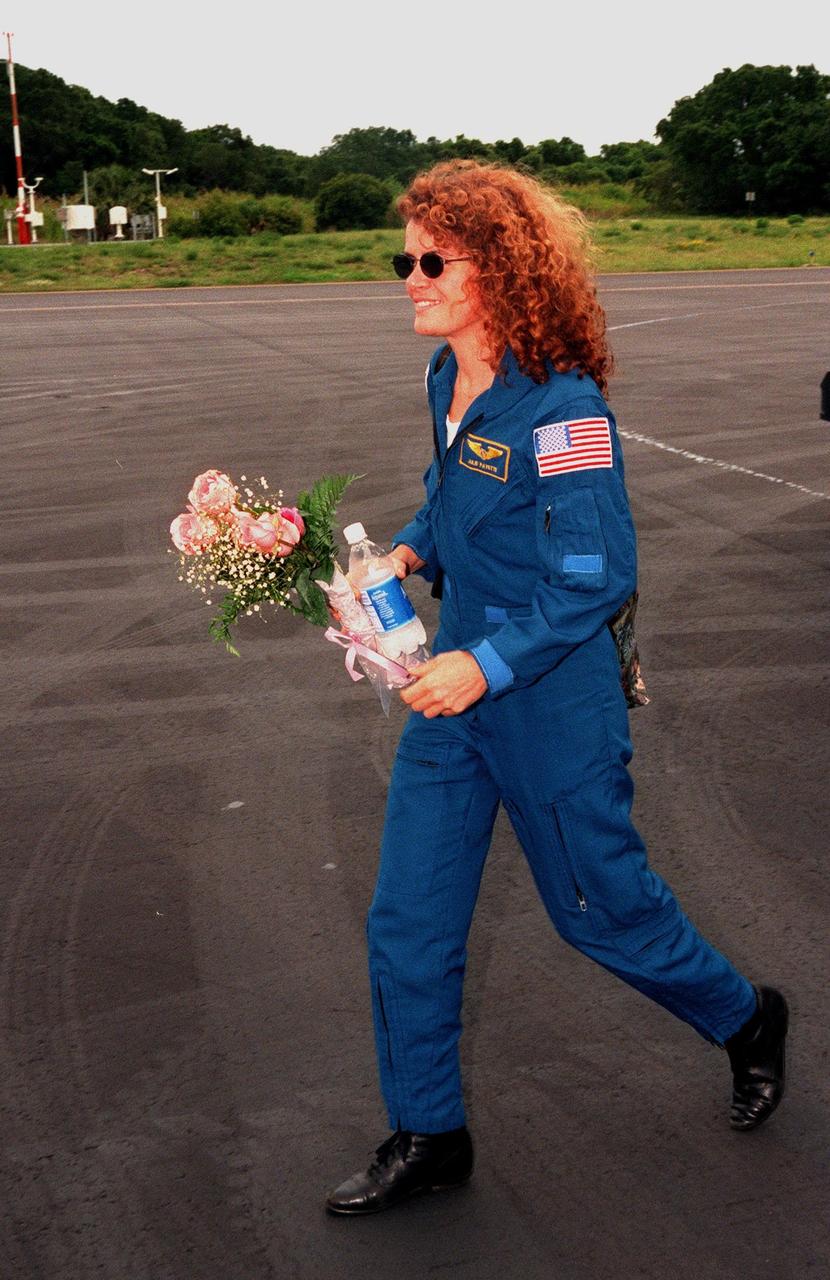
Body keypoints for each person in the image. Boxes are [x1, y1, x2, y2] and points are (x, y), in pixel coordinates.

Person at [325, 161, 788, 1216]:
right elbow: (454, 501)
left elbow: (594, 573)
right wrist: (406, 553)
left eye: (430, 259)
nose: (408, 276)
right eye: (404, 257)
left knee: (602, 914)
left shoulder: (565, 409)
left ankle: (746, 1015)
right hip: (453, 701)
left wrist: (480, 663)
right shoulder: (450, 377)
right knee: (407, 919)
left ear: (498, 270)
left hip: (543, 702)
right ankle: (428, 1129)